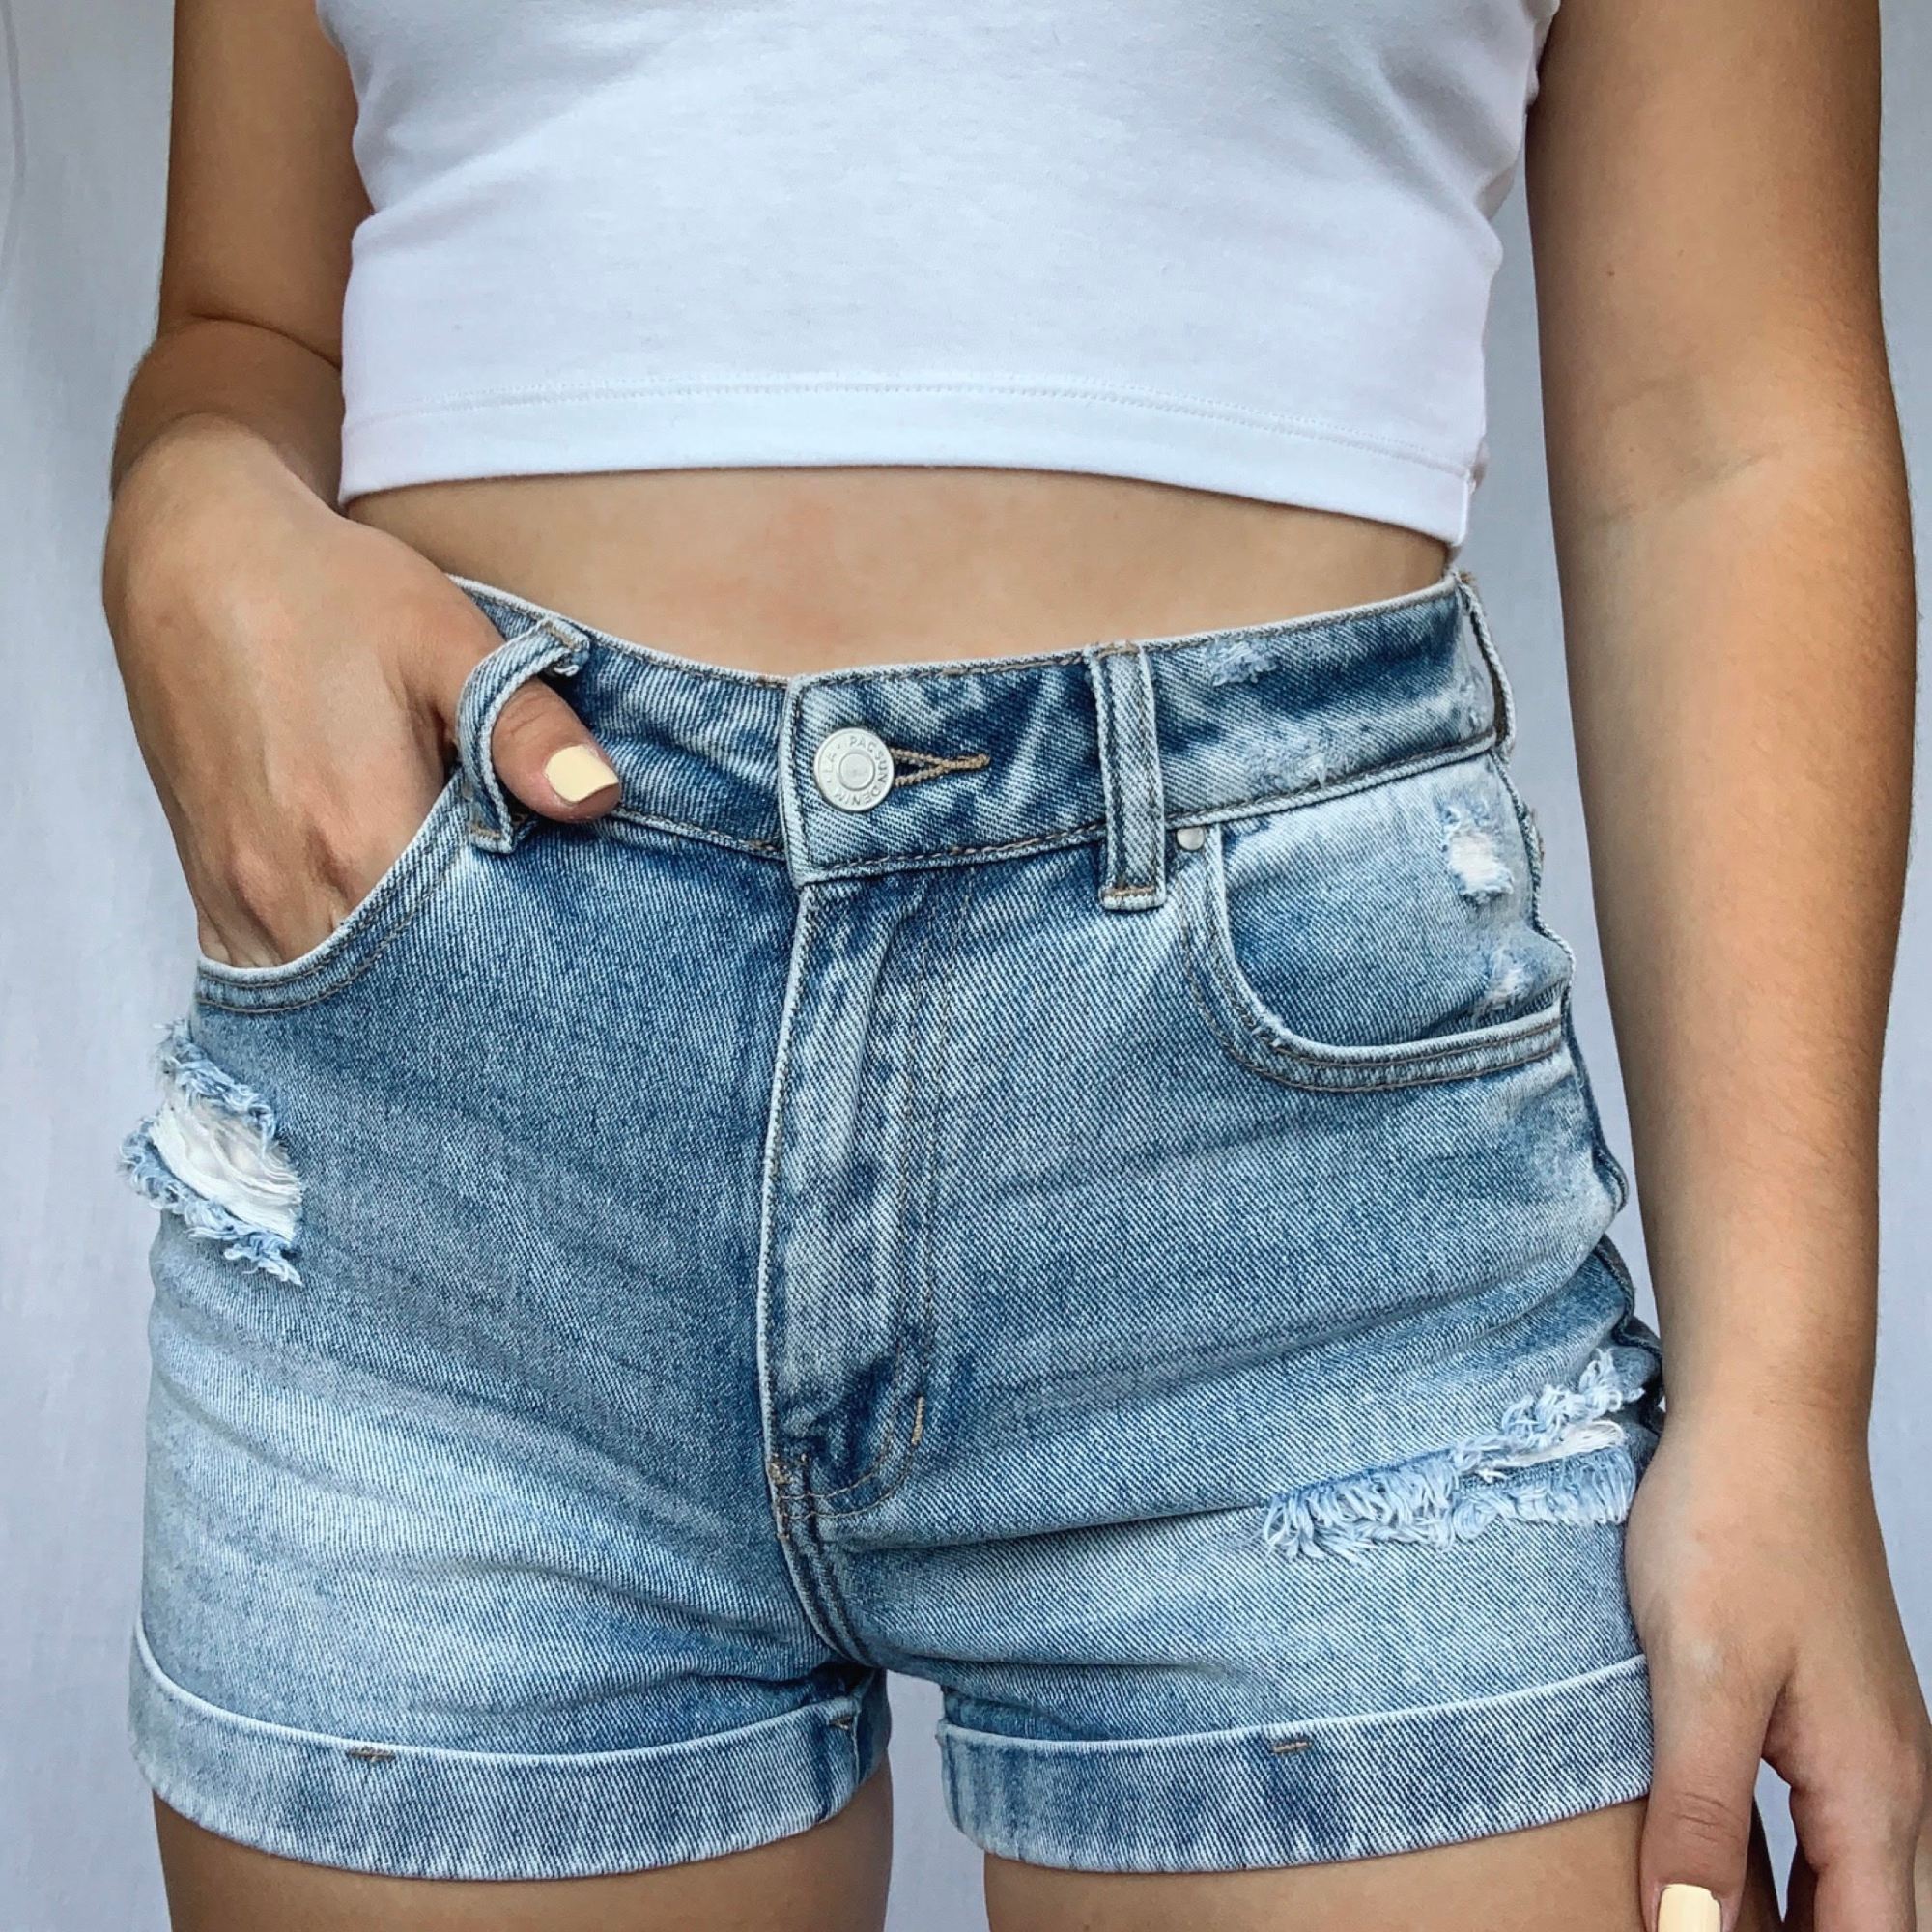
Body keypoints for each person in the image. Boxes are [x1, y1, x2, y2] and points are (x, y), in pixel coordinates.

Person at [102, 0, 1930, 1928]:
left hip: (1294, 1218)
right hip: (468, 1165)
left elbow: (1720, 431)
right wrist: (189, 495)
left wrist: (1782, 1401)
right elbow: (250, 319)